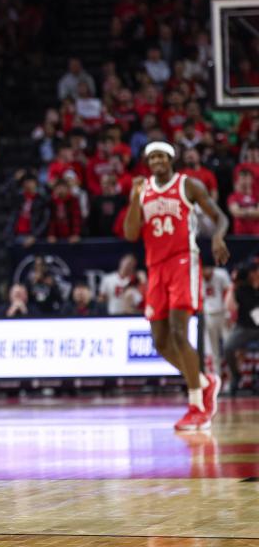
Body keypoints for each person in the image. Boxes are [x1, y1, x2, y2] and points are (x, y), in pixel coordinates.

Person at [123, 141, 229, 431]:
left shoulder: (188, 185)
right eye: (152, 157)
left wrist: (218, 237)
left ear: (170, 159)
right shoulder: (142, 191)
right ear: (148, 162)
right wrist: (134, 198)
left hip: (183, 261)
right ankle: (206, 382)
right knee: (159, 340)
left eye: (161, 156)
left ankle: (197, 405)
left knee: (180, 332)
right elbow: (131, 233)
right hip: (155, 267)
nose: (157, 160)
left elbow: (220, 217)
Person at [223, 260, 259, 394]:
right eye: (251, 273)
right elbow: (229, 307)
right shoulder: (241, 288)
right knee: (228, 347)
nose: (254, 275)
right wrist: (233, 285)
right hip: (244, 327)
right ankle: (236, 376)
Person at [201, 264, 232, 375]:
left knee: (229, 346)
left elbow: (228, 293)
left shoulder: (221, 274)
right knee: (211, 350)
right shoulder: (197, 276)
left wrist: (229, 314)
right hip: (208, 315)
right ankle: (216, 377)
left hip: (223, 314)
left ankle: (231, 377)